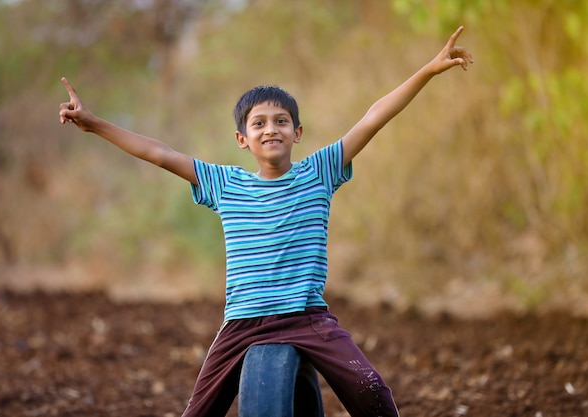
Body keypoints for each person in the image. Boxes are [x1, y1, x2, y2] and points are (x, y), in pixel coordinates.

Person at [59, 26, 473, 417]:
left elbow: (372, 117)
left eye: (281, 121)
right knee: (197, 412)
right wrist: (94, 124)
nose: (270, 129)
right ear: (243, 139)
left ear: (298, 132)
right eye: (258, 123)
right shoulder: (225, 183)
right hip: (242, 322)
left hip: (306, 317)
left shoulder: (320, 171)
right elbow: (159, 153)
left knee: (372, 392)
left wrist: (428, 70)